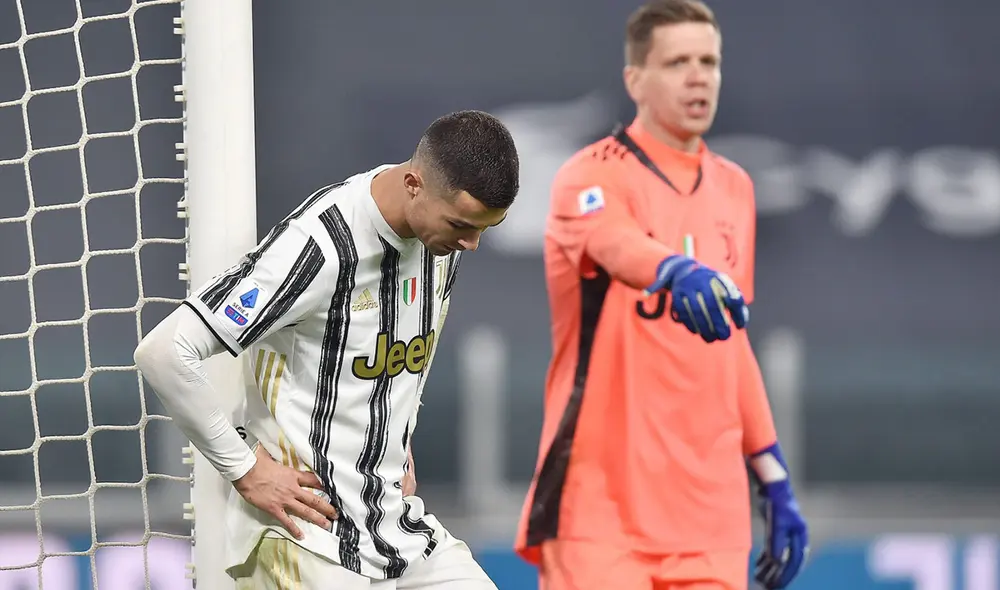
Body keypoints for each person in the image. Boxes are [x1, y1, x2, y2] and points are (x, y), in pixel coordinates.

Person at [134, 110, 519, 589]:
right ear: (414, 184)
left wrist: (398, 439)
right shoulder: (320, 248)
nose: (473, 243)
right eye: (463, 224)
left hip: (393, 528)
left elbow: (389, 357)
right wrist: (246, 467)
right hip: (306, 536)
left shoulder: (443, 242)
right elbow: (165, 352)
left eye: (487, 228)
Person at [514, 2, 809, 590]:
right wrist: (675, 270)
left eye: (709, 61)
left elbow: (734, 345)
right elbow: (614, 242)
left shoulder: (735, 188)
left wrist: (772, 474)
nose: (699, 76)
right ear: (635, 81)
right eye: (677, 62)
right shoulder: (590, 174)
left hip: (711, 518)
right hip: (601, 512)